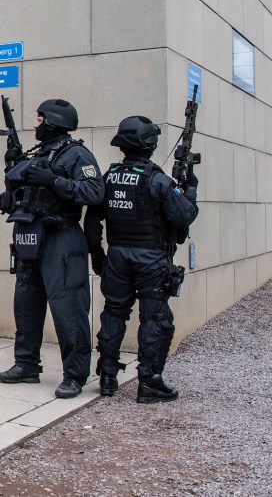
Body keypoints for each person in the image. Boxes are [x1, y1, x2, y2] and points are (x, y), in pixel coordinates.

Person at [84, 116, 199, 403]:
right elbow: (184, 216)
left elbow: (92, 223)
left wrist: (99, 257)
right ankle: (149, 381)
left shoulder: (108, 177)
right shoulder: (158, 179)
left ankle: (107, 376)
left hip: (117, 256)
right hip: (151, 258)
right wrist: (191, 189)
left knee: (113, 313)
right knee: (156, 318)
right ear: (150, 144)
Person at [0, 99, 104, 398]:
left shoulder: (77, 154)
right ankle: (26, 365)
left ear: (54, 122)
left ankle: (74, 375)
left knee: (68, 308)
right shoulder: (37, 153)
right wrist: (14, 164)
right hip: (31, 235)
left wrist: (54, 180)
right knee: (26, 304)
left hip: (62, 238)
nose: (35, 124)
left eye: (39, 119)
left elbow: (95, 192)